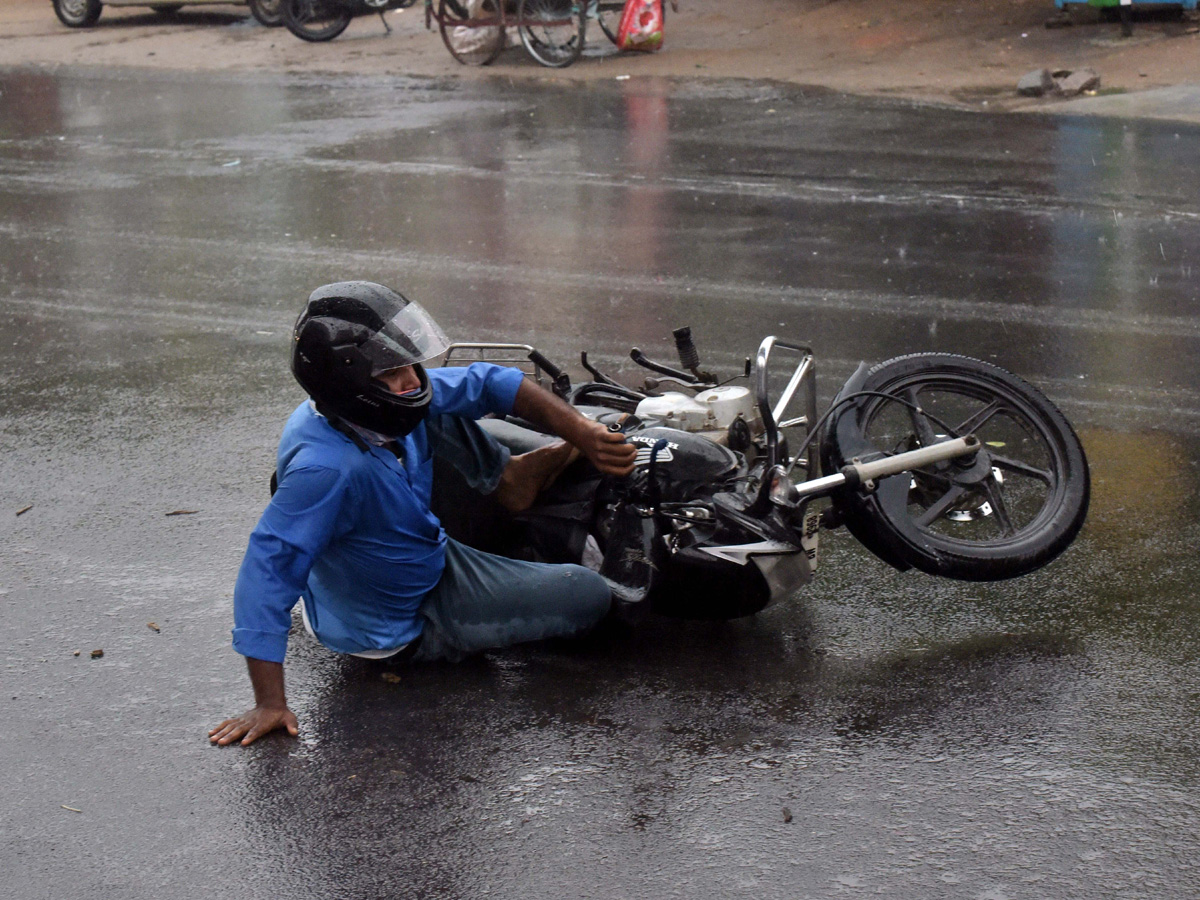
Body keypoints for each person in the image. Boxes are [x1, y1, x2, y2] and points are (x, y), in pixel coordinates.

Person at [209, 281, 636, 747]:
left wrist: (583, 430)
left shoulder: (349, 407)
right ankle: (512, 495)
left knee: (427, 405)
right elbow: (265, 573)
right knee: (589, 594)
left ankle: (513, 479)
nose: (411, 377)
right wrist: (270, 703)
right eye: (391, 372)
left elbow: (487, 382)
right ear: (351, 383)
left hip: (390, 556)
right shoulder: (326, 469)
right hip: (400, 621)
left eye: (409, 362)